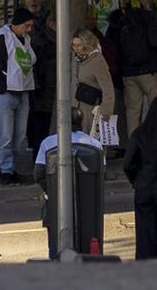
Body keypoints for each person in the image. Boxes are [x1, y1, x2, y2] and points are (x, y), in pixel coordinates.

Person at [34, 105, 104, 259]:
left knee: (56, 246)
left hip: (55, 201)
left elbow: (38, 174)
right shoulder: (95, 145)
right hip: (89, 203)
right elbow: (100, 176)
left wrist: (51, 190)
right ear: (81, 121)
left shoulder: (48, 143)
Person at [0, 6, 38, 186]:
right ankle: (6, 171)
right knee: (6, 136)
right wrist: (1, 87)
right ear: (17, 24)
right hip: (7, 94)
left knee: (19, 137)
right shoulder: (1, 38)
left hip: (22, 92)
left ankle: (12, 168)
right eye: (27, 25)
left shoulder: (25, 39)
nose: (29, 29)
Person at [124, 95, 157, 259]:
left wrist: (136, 180)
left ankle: (145, 262)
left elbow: (128, 163)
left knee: (145, 232)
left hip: (144, 187)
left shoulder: (139, 133)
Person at [107, 1, 157, 145]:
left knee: (133, 112)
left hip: (128, 73)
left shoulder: (117, 20)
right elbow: (155, 40)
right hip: (149, 71)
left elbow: (113, 45)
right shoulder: (147, 16)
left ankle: (134, 147)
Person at [72, 30, 118, 153]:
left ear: (87, 45)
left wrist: (106, 112)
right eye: (74, 45)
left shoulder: (97, 60)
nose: (76, 49)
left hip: (93, 108)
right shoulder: (79, 59)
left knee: (94, 144)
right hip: (80, 106)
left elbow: (108, 88)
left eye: (79, 45)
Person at [24, 0, 58, 150]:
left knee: (45, 115)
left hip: (48, 74)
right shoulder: (22, 19)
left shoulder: (51, 17)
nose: (33, 1)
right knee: (32, 115)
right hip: (30, 74)